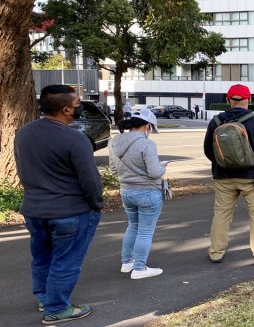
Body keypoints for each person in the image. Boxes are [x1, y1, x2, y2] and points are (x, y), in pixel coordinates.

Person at [14, 84, 103, 324]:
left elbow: (22, 170)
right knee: (66, 261)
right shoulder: (76, 140)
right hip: (70, 212)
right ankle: (56, 309)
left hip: (34, 209)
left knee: (42, 257)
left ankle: (45, 297)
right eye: (77, 103)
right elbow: (90, 180)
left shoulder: (23, 133)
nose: (80, 107)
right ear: (66, 109)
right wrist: (97, 204)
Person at [203, 84, 254, 265]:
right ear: (249, 100)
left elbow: (208, 150)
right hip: (252, 177)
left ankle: (216, 252)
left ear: (228, 100)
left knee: (221, 213)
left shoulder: (216, 122)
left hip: (223, 176)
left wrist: (221, 163)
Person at [109, 108, 167, 280]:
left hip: (126, 190)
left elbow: (113, 169)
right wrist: (162, 166)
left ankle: (127, 263)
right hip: (148, 192)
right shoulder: (147, 144)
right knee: (145, 231)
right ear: (148, 126)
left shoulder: (114, 142)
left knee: (132, 226)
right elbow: (155, 172)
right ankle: (140, 268)